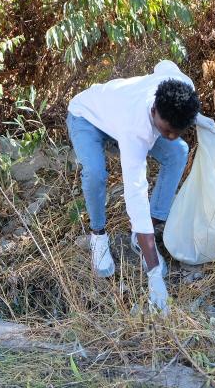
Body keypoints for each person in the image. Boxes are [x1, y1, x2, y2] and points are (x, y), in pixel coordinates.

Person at [66, 60, 201, 313]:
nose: (170, 136)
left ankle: (144, 234)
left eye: (177, 130)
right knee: (95, 172)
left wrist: (201, 123)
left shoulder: (182, 88)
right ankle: (98, 236)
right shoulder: (136, 129)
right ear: (154, 112)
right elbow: (135, 193)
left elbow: (164, 64)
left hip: (118, 116)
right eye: (167, 130)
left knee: (178, 151)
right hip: (87, 117)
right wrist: (154, 275)